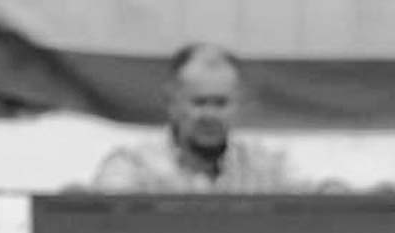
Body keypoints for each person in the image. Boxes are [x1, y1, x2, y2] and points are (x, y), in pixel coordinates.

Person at [91, 43, 298, 194]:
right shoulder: (133, 168)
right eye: (199, 102)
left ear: (239, 106)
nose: (210, 115)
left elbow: (317, 206)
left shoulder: (267, 168)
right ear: (172, 104)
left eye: (220, 103)